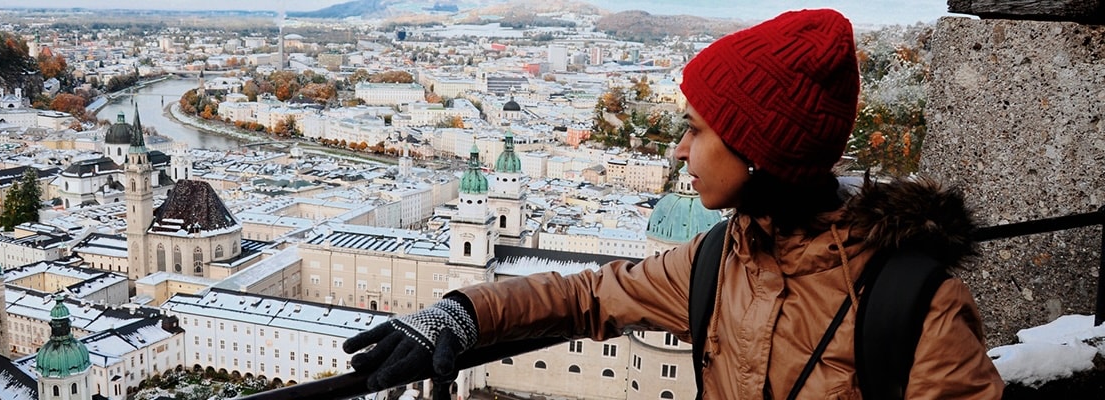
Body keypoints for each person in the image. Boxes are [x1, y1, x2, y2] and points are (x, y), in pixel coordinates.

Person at [343, 9, 1004, 399]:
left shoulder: (920, 309)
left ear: (756, 149)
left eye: (696, 129)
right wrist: (462, 313)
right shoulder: (723, 259)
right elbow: (588, 295)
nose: (680, 151)